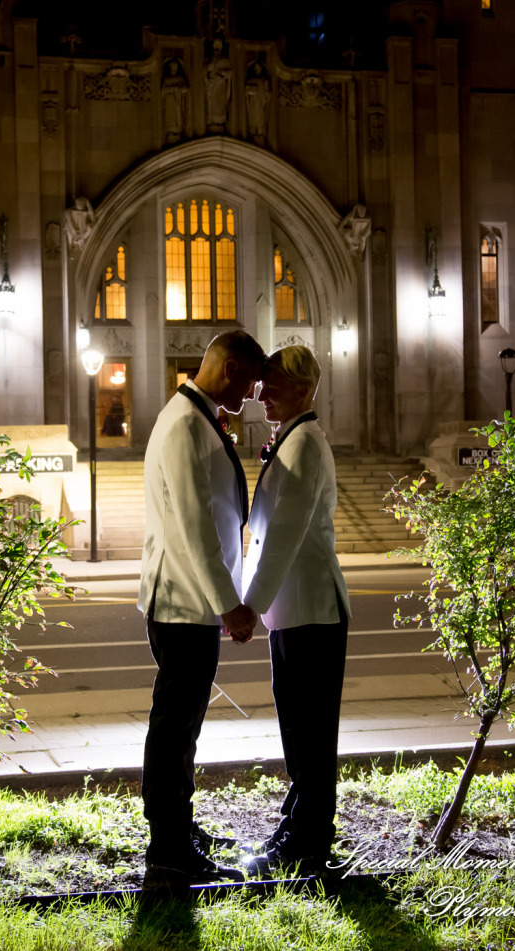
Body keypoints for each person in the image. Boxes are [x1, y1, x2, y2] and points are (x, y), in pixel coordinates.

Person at [138, 329, 266, 886]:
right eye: (253, 382)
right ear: (231, 368)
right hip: (185, 603)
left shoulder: (196, 416)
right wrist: (230, 605)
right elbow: (194, 527)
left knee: (181, 726)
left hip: (188, 602)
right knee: (175, 728)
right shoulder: (188, 425)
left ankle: (177, 828)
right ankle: (167, 847)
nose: (256, 396)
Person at [240, 346, 351, 876]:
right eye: (261, 383)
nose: (261, 392)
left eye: (273, 383)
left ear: (305, 389)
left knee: (310, 732)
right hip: (292, 611)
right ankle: (298, 821)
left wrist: (248, 603)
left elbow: (283, 535)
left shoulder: (306, 444)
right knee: (296, 729)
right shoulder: (290, 438)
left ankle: (308, 841)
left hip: (311, 609)